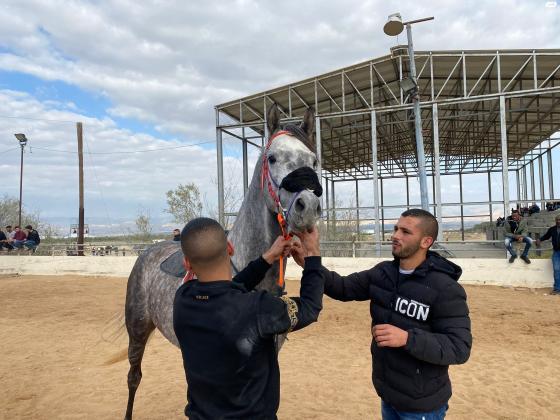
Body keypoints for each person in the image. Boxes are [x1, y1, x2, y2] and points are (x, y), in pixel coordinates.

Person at [292, 209, 471, 420]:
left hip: (422, 405)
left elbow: (459, 348)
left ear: (426, 242)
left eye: (405, 232)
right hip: (388, 394)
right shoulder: (383, 273)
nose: (395, 236)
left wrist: (407, 338)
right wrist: (310, 263)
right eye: (396, 229)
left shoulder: (445, 289)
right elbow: (342, 287)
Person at [173, 217, 323, 419]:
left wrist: (268, 257)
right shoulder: (258, 308)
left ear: (187, 263)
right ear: (230, 248)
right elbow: (310, 308)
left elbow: (229, 288)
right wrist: (312, 256)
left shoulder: (183, 297)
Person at [536, 215, 560, 295]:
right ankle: (557, 289)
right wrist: (540, 239)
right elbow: (546, 236)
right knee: (556, 270)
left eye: (559, 220)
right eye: (557, 220)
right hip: (556, 252)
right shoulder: (552, 229)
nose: (558, 221)